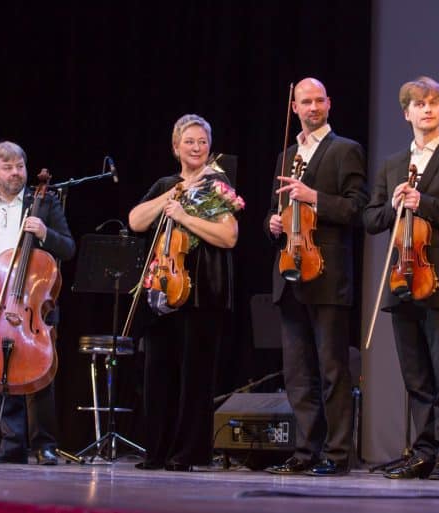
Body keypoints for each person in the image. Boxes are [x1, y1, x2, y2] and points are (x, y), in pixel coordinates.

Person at [364, 76, 439, 480]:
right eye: (419, 104)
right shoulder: (393, 164)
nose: (427, 109)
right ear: (407, 113)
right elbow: (372, 218)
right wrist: (394, 202)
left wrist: (426, 203)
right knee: (415, 377)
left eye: (434, 103)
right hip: (402, 281)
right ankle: (424, 452)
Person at [264, 78, 368, 476]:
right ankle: (305, 450)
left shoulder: (345, 150)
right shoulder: (286, 154)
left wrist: (314, 198)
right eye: (304, 102)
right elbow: (274, 209)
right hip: (289, 274)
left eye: (318, 100)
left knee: (332, 371)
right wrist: (270, 223)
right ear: (294, 107)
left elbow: (358, 209)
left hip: (326, 275)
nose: (312, 107)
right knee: (297, 375)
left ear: (329, 103)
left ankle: (337, 454)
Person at [128, 114, 239, 471]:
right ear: (176, 148)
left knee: (195, 377)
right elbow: (135, 220)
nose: (196, 147)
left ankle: (187, 453)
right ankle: (156, 451)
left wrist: (186, 217)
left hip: (203, 292)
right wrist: (168, 200)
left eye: (202, 142)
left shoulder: (217, 185)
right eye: (189, 142)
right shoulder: (166, 184)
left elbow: (229, 236)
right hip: (162, 290)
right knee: (157, 374)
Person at [0, 141, 75, 465]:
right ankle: (11, 445)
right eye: (7, 167)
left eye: (20, 166)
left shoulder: (44, 203)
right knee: (0, 376)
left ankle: (45, 444)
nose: (16, 173)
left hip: (34, 303)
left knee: (40, 377)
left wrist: (45, 232)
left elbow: (69, 248)